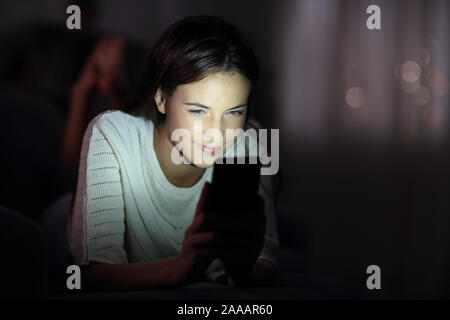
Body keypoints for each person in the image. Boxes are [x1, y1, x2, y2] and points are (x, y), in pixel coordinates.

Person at [66, 15, 279, 292]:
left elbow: (266, 266)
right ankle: (87, 89)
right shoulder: (111, 132)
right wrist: (178, 269)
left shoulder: (249, 143)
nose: (216, 132)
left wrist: (242, 270)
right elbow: (90, 274)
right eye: (199, 111)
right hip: (64, 212)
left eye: (234, 112)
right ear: (161, 98)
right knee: (64, 174)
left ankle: (113, 88)